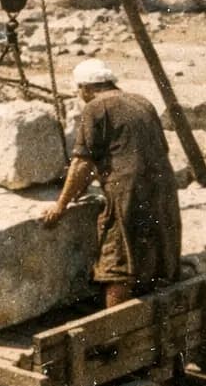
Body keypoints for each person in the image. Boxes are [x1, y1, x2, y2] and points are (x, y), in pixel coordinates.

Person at [41, 59, 181, 308]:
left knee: (118, 265)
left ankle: (114, 338)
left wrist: (60, 205)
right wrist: (85, 183)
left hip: (128, 192)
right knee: (156, 257)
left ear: (85, 87)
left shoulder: (95, 107)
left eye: (79, 91)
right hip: (164, 188)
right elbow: (125, 149)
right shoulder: (142, 101)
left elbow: (82, 162)